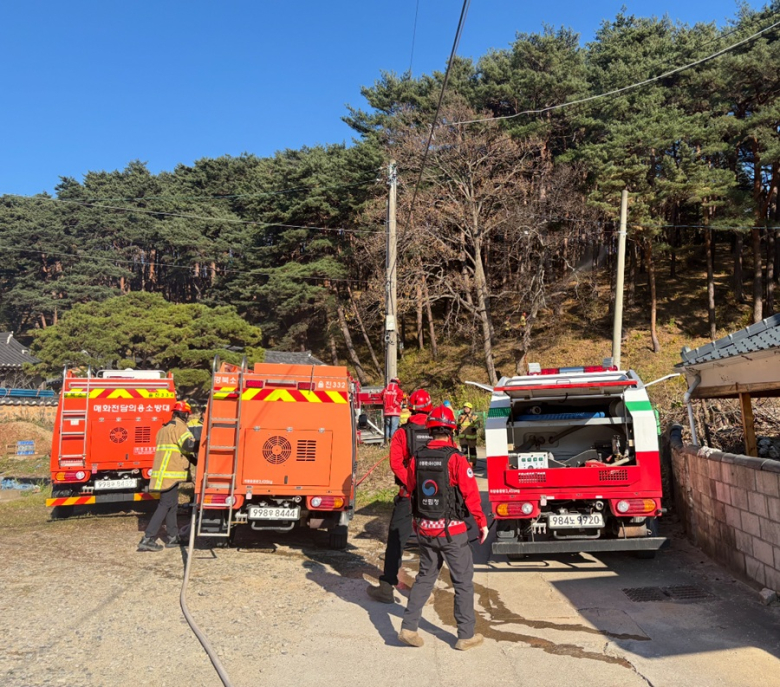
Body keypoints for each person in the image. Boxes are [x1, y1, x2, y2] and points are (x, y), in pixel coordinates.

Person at [398, 404, 489, 651]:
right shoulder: (456, 459)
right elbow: (471, 496)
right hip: (453, 533)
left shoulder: (416, 458)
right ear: (451, 431)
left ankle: (408, 628)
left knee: (425, 578)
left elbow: (410, 489)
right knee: (463, 582)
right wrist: (481, 523)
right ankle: (465, 635)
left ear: (430, 430)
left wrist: (417, 522)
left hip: (425, 531)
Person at [367, 389, 433, 604]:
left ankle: (387, 588)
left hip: (407, 494)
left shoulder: (402, 433)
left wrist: (411, 485)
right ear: (430, 407)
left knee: (397, 540)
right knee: (431, 541)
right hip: (434, 497)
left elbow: (396, 463)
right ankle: (425, 590)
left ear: (410, 407)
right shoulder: (439, 430)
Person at [137, 401, 197, 552]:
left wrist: (193, 460)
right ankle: (148, 538)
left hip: (163, 473)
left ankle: (172, 537)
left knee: (172, 506)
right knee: (165, 505)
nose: (188, 417)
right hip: (170, 473)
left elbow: (179, 450)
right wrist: (203, 443)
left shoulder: (164, 429)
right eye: (187, 414)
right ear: (184, 414)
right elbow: (188, 446)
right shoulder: (180, 427)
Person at [456, 402, 481, 468]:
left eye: (467, 408)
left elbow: (478, 423)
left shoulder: (474, 416)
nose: (465, 409)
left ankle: (473, 463)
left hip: (471, 437)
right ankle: (465, 465)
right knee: (464, 452)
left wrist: (475, 428)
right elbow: (458, 424)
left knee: (472, 451)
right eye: (465, 408)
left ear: (470, 409)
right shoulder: (461, 416)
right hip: (463, 437)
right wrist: (456, 429)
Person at [382, 377, 403, 444]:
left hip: (387, 412)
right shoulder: (399, 391)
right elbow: (399, 400)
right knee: (394, 427)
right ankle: (392, 442)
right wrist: (392, 407)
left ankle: (386, 441)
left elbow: (380, 396)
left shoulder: (385, 390)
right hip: (395, 412)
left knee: (387, 426)